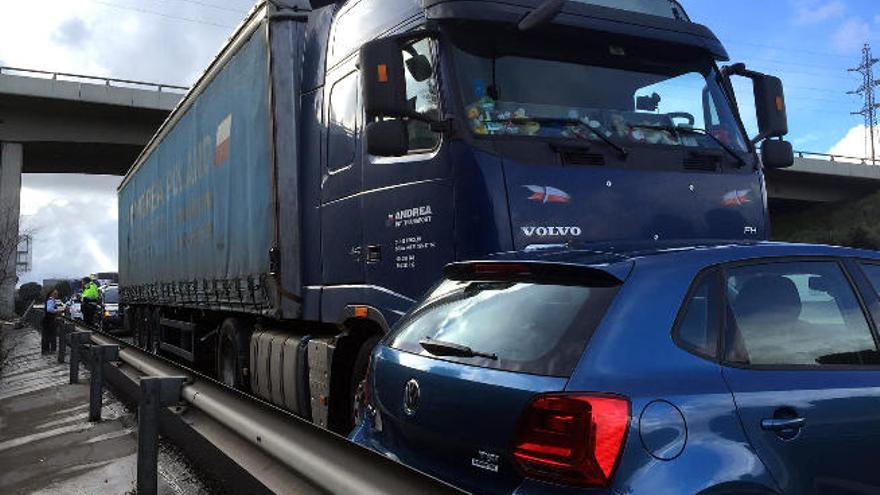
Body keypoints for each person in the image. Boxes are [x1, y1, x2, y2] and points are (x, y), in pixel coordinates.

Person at [42, 290, 61, 355]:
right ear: (52, 294)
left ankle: (48, 350)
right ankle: (47, 350)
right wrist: (57, 310)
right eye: (55, 293)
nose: (57, 294)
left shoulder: (51, 300)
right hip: (49, 320)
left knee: (48, 335)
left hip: (48, 320)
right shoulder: (50, 300)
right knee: (49, 335)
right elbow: (49, 309)